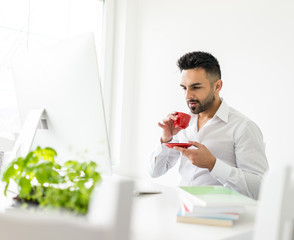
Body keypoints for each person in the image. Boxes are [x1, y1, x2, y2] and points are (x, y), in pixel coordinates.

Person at [149, 51, 269, 200]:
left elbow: (260, 188)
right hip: (183, 208)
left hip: (220, 216)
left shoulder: (243, 127)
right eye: (184, 88)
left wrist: (213, 164)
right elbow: (155, 172)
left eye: (196, 87)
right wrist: (166, 139)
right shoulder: (182, 124)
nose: (187, 96)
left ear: (217, 86)